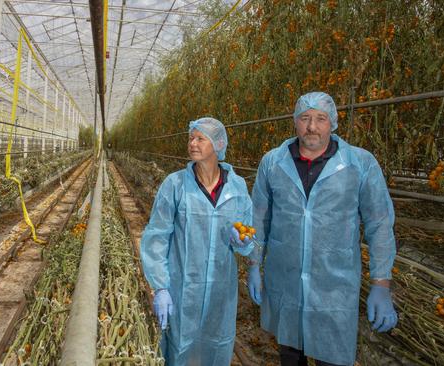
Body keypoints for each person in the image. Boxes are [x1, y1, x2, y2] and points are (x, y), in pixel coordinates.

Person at [248, 92, 398, 366]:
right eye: (305, 118)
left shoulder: (360, 164)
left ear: (333, 123)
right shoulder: (272, 162)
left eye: (320, 119)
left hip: (334, 288)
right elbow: (259, 219)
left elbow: (379, 224)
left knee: (333, 356)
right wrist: (253, 264)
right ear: (295, 122)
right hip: (285, 283)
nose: (312, 126)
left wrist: (381, 283)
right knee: (290, 354)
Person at [140, 117, 255, 365]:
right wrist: (160, 286)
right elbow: (157, 237)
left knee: (217, 346)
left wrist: (243, 242)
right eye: (190, 138)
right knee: (179, 348)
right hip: (182, 290)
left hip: (221, 292)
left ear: (218, 144)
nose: (193, 143)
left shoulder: (237, 186)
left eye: (200, 138)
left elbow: (247, 234)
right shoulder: (175, 185)